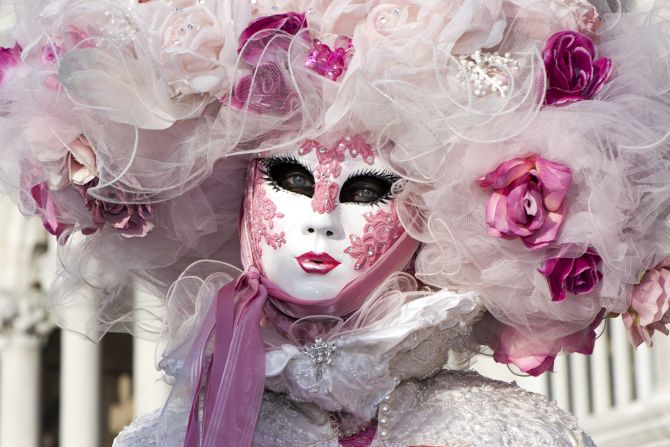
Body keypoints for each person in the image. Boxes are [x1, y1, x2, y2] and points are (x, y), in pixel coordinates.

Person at [0, 0, 669, 446]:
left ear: (429, 211)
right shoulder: (168, 437)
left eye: (368, 189)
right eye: (288, 179)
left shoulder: (513, 434)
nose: (321, 217)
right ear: (231, 194)